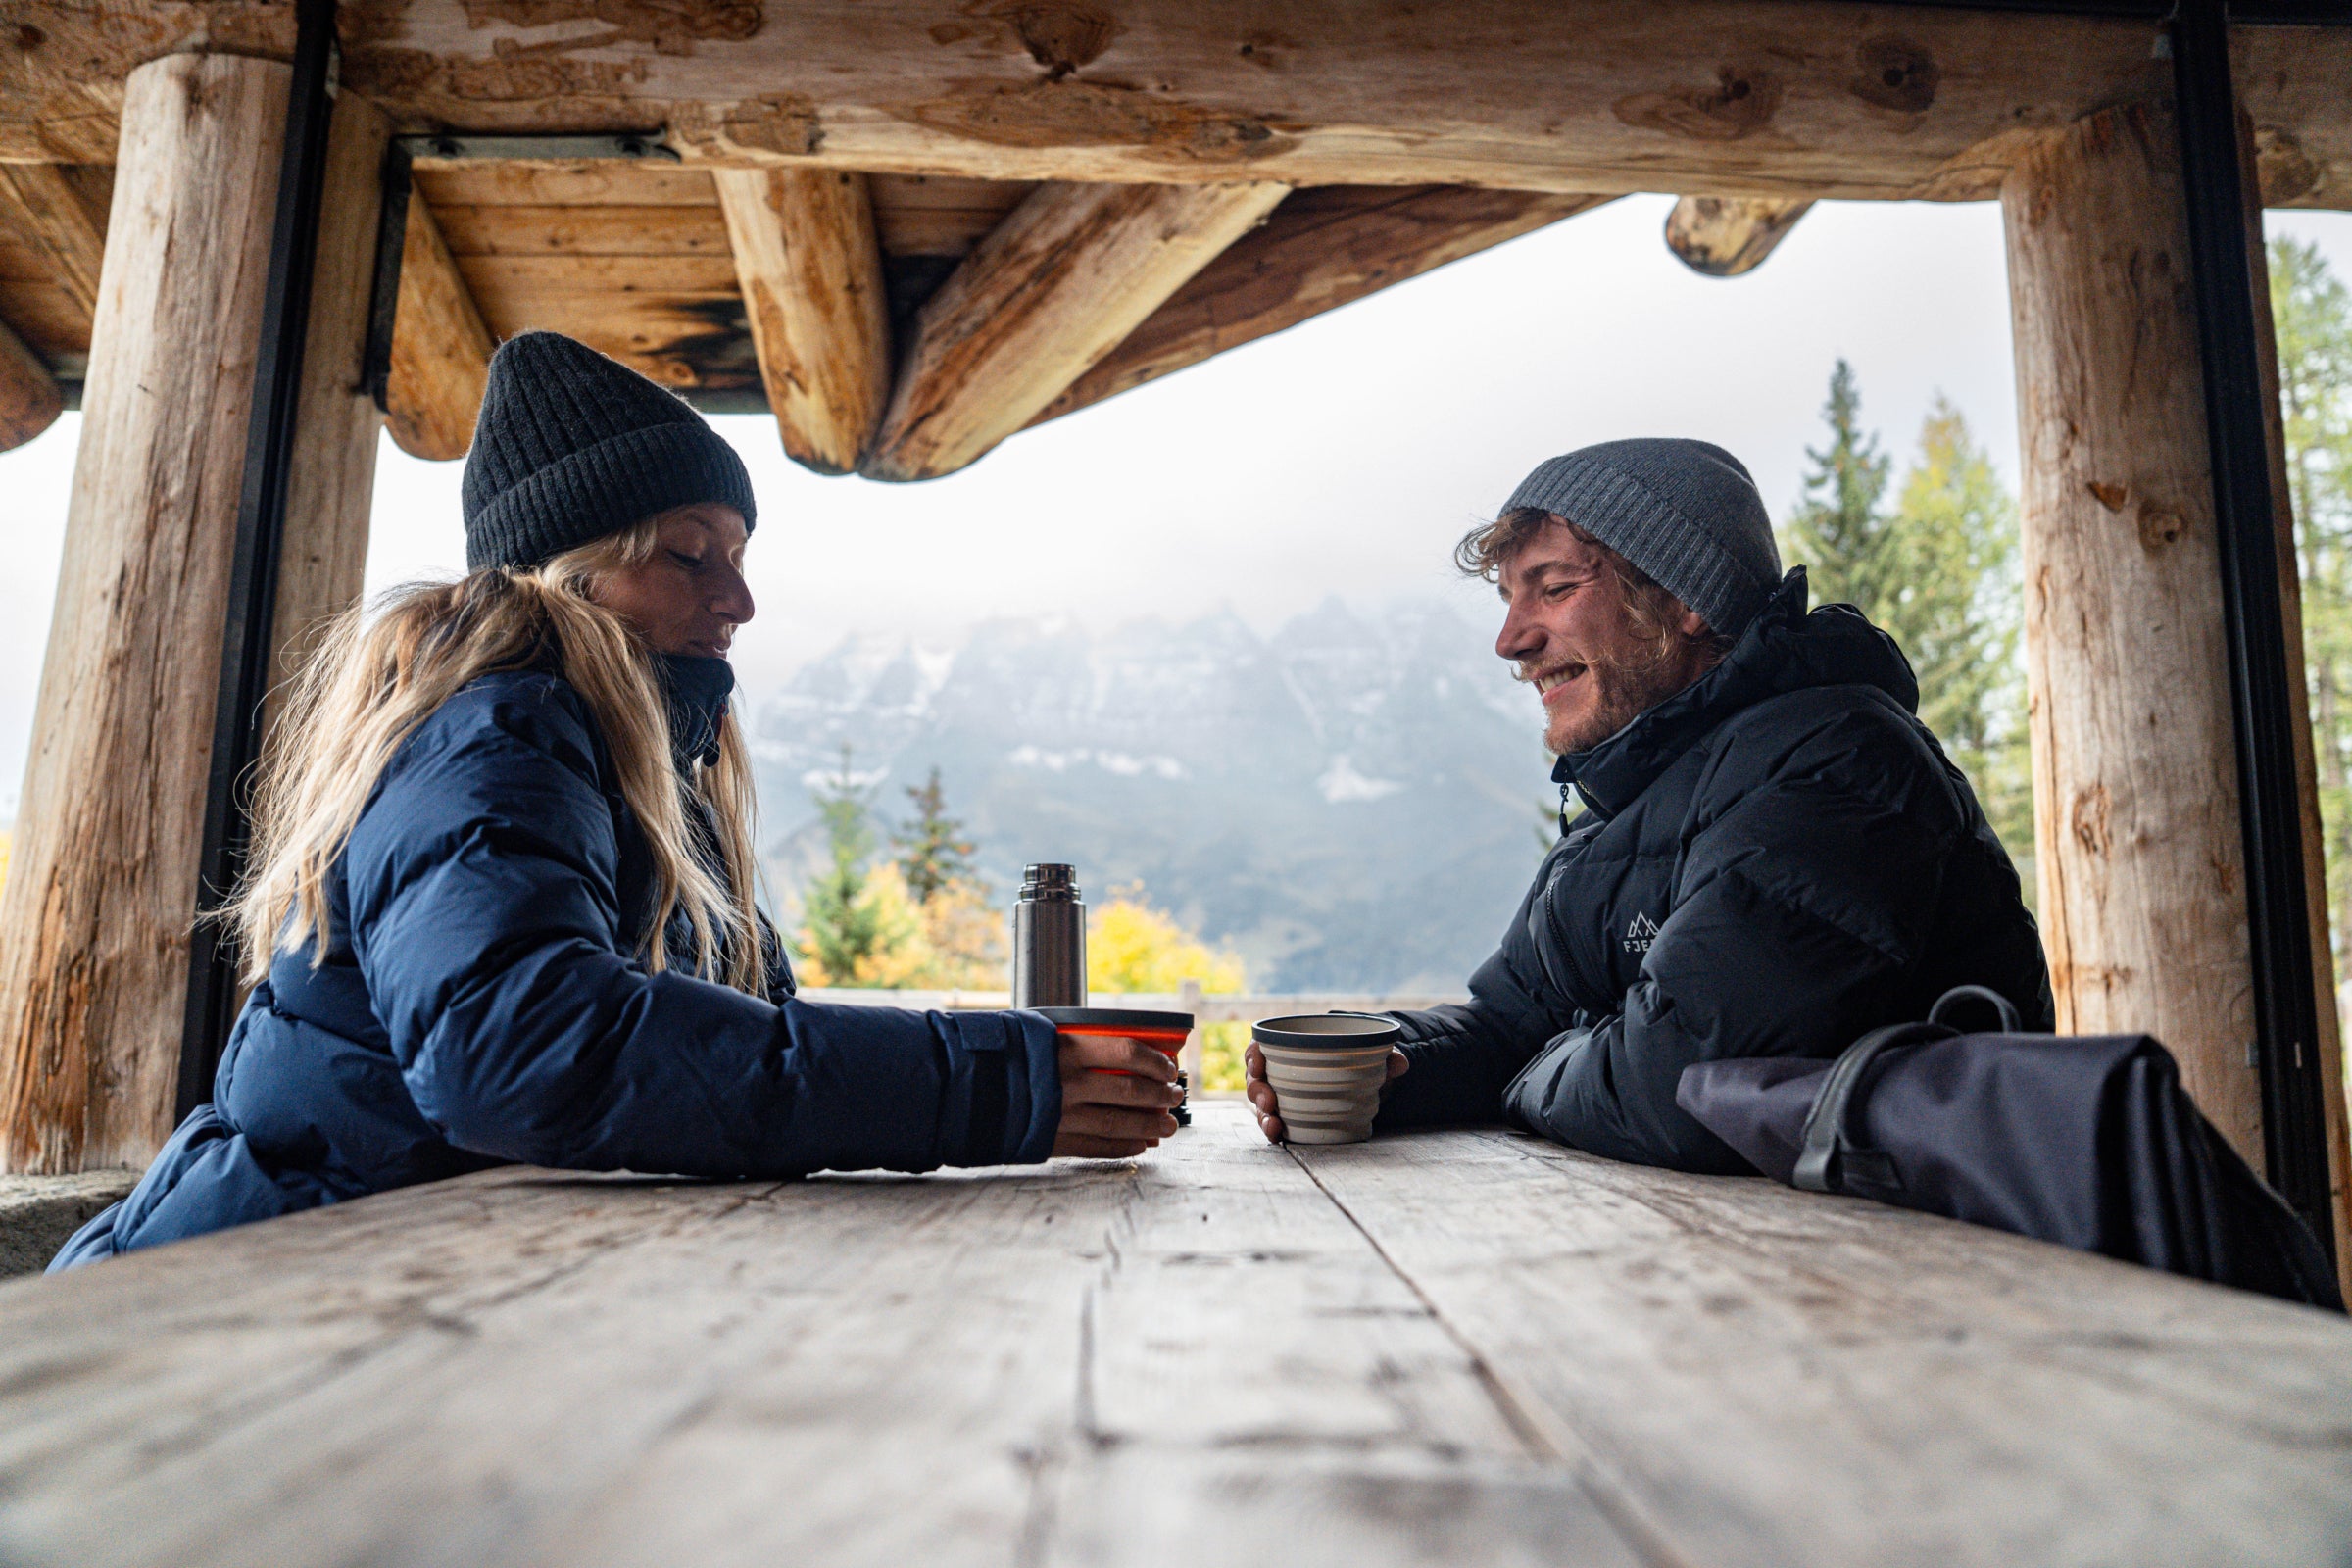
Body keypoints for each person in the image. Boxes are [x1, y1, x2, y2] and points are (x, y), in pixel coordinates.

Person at [53, 332, 1178, 1268]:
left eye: (736, 555)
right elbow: (521, 1051)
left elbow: (723, 1047)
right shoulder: (494, 733)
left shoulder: (638, 766)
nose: (739, 598)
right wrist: (988, 1084)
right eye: (692, 554)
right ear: (572, 571)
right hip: (210, 1318)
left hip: (385, 1286)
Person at [1247, 438, 2052, 1172]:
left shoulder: (1839, 764)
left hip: (1921, 1290)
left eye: (1554, 588)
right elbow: (1506, 1023)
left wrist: (1537, 1064)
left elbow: (1681, 1089)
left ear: (1685, 596)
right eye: (1507, 599)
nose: (1510, 641)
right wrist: (1385, 1062)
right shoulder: (1623, 817)